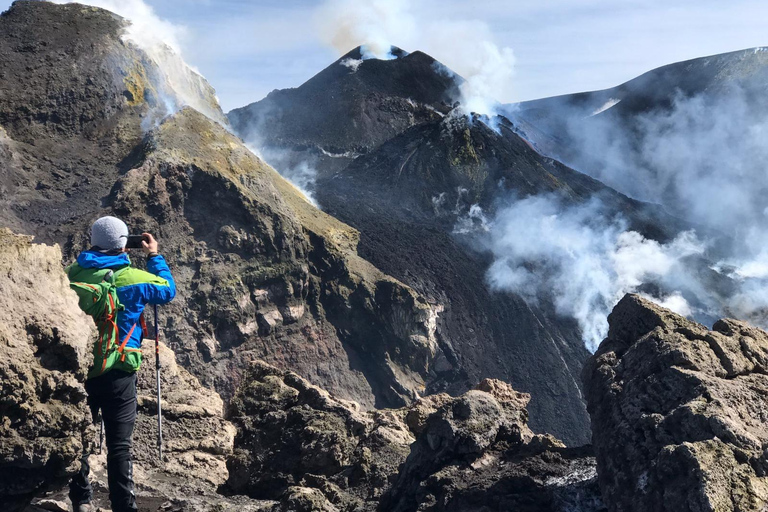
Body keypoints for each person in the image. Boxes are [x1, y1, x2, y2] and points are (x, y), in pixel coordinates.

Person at [67, 216, 176, 512]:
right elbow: (167, 289)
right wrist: (153, 255)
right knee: (120, 446)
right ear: (123, 244)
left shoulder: (72, 274)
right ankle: (124, 508)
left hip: (81, 370)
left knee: (79, 437)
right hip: (120, 371)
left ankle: (81, 499)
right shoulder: (135, 279)